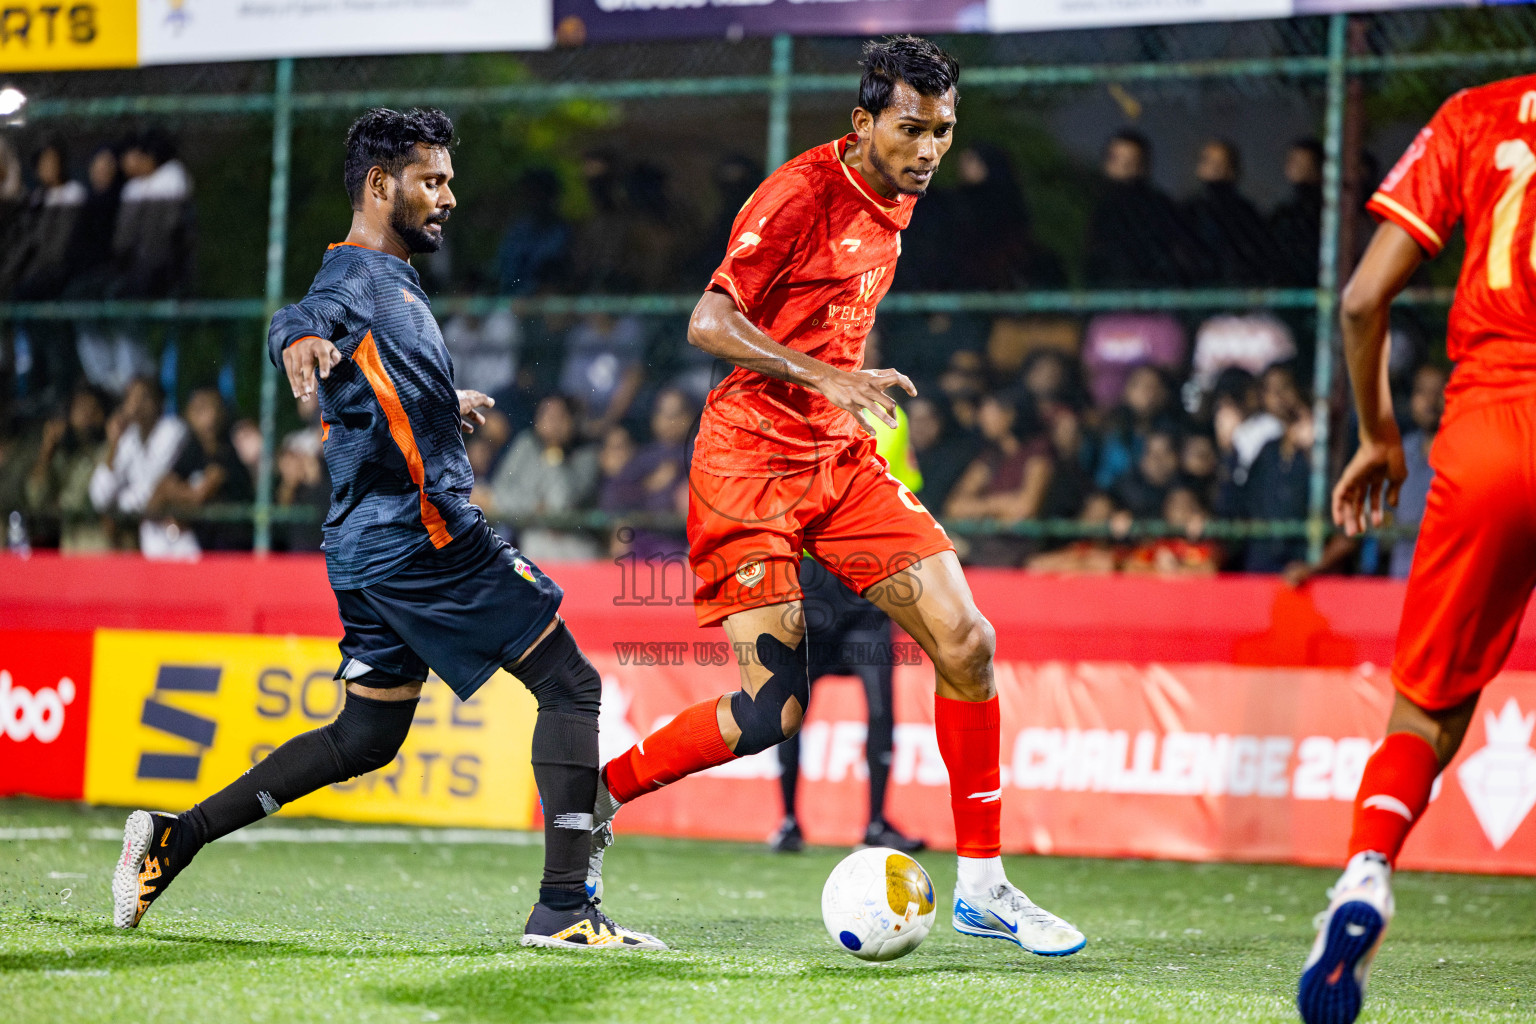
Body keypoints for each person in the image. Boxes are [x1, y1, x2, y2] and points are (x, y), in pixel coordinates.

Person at [110, 107, 662, 951]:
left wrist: (448, 405)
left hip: (367, 552)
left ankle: (172, 838)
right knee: (571, 685)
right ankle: (563, 909)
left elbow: (379, 382)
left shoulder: (396, 278)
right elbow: (303, 315)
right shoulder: (358, 277)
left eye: (447, 180)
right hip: (426, 542)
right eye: (430, 180)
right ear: (380, 185)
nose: (447, 197)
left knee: (367, 734)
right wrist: (294, 340)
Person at [586, 36, 1084, 956]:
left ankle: (984, 887)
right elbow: (708, 320)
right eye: (911, 129)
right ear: (862, 123)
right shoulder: (799, 194)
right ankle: (600, 794)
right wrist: (827, 374)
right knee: (771, 711)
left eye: (942, 130)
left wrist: (840, 388)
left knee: (967, 641)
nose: (929, 149)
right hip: (747, 468)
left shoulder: (898, 192)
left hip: (838, 460)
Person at [1298, 74, 1536, 1023]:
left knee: (1428, 709)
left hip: (1488, 431)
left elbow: (1362, 301)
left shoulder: (1478, 114)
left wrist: (1379, 435)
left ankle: (1364, 876)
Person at [87, 375, 187, 552]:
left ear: (159, 401)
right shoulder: (127, 438)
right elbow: (100, 496)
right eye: (132, 398)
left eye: (144, 397)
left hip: (170, 534)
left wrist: (119, 505)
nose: (137, 405)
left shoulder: (173, 430)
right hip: (136, 533)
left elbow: (150, 490)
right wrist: (114, 443)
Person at [1084, 130, 1191, 287]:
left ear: (1141, 165)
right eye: (1113, 157)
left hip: (1144, 299)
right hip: (1112, 300)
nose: (1119, 164)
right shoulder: (1096, 202)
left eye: (1127, 160)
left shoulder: (1158, 206)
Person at [1181, 139, 1276, 286]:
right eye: (1209, 162)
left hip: (1237, 294)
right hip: (1197, 294)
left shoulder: (1246, 213)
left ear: (1233, 169)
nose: (1215, 168)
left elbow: (1258, 254)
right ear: (1199, 168)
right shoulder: (1188, 211)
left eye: (1221, 163)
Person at [1387, 364, 1447, 580]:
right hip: (1401, 580)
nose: (1430, 401)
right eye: (1422, 392)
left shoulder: (1466, 455)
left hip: (1447, 581)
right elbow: (1377, 515)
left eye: (1438, 392)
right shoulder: (1399, 453)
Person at [1270, 138, 1325, 286]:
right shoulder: (1282, 214)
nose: (1298, 168)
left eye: (1305, 164)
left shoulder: (1333, 212)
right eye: (1294, 163)